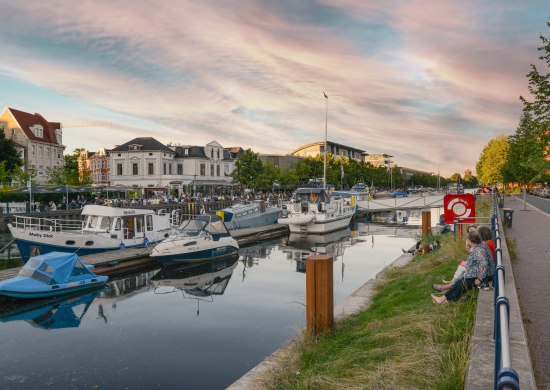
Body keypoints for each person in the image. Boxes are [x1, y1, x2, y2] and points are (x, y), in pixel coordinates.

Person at [432, 230, 489, 304]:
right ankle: (442, 299)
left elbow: (484, 264)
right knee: (458, 284)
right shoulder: (477, 247)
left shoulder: (478, 250)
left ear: (470, 240)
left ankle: (445, 301)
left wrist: (480, 279)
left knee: (460, 286)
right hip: (472, 275)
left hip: (477, 277)